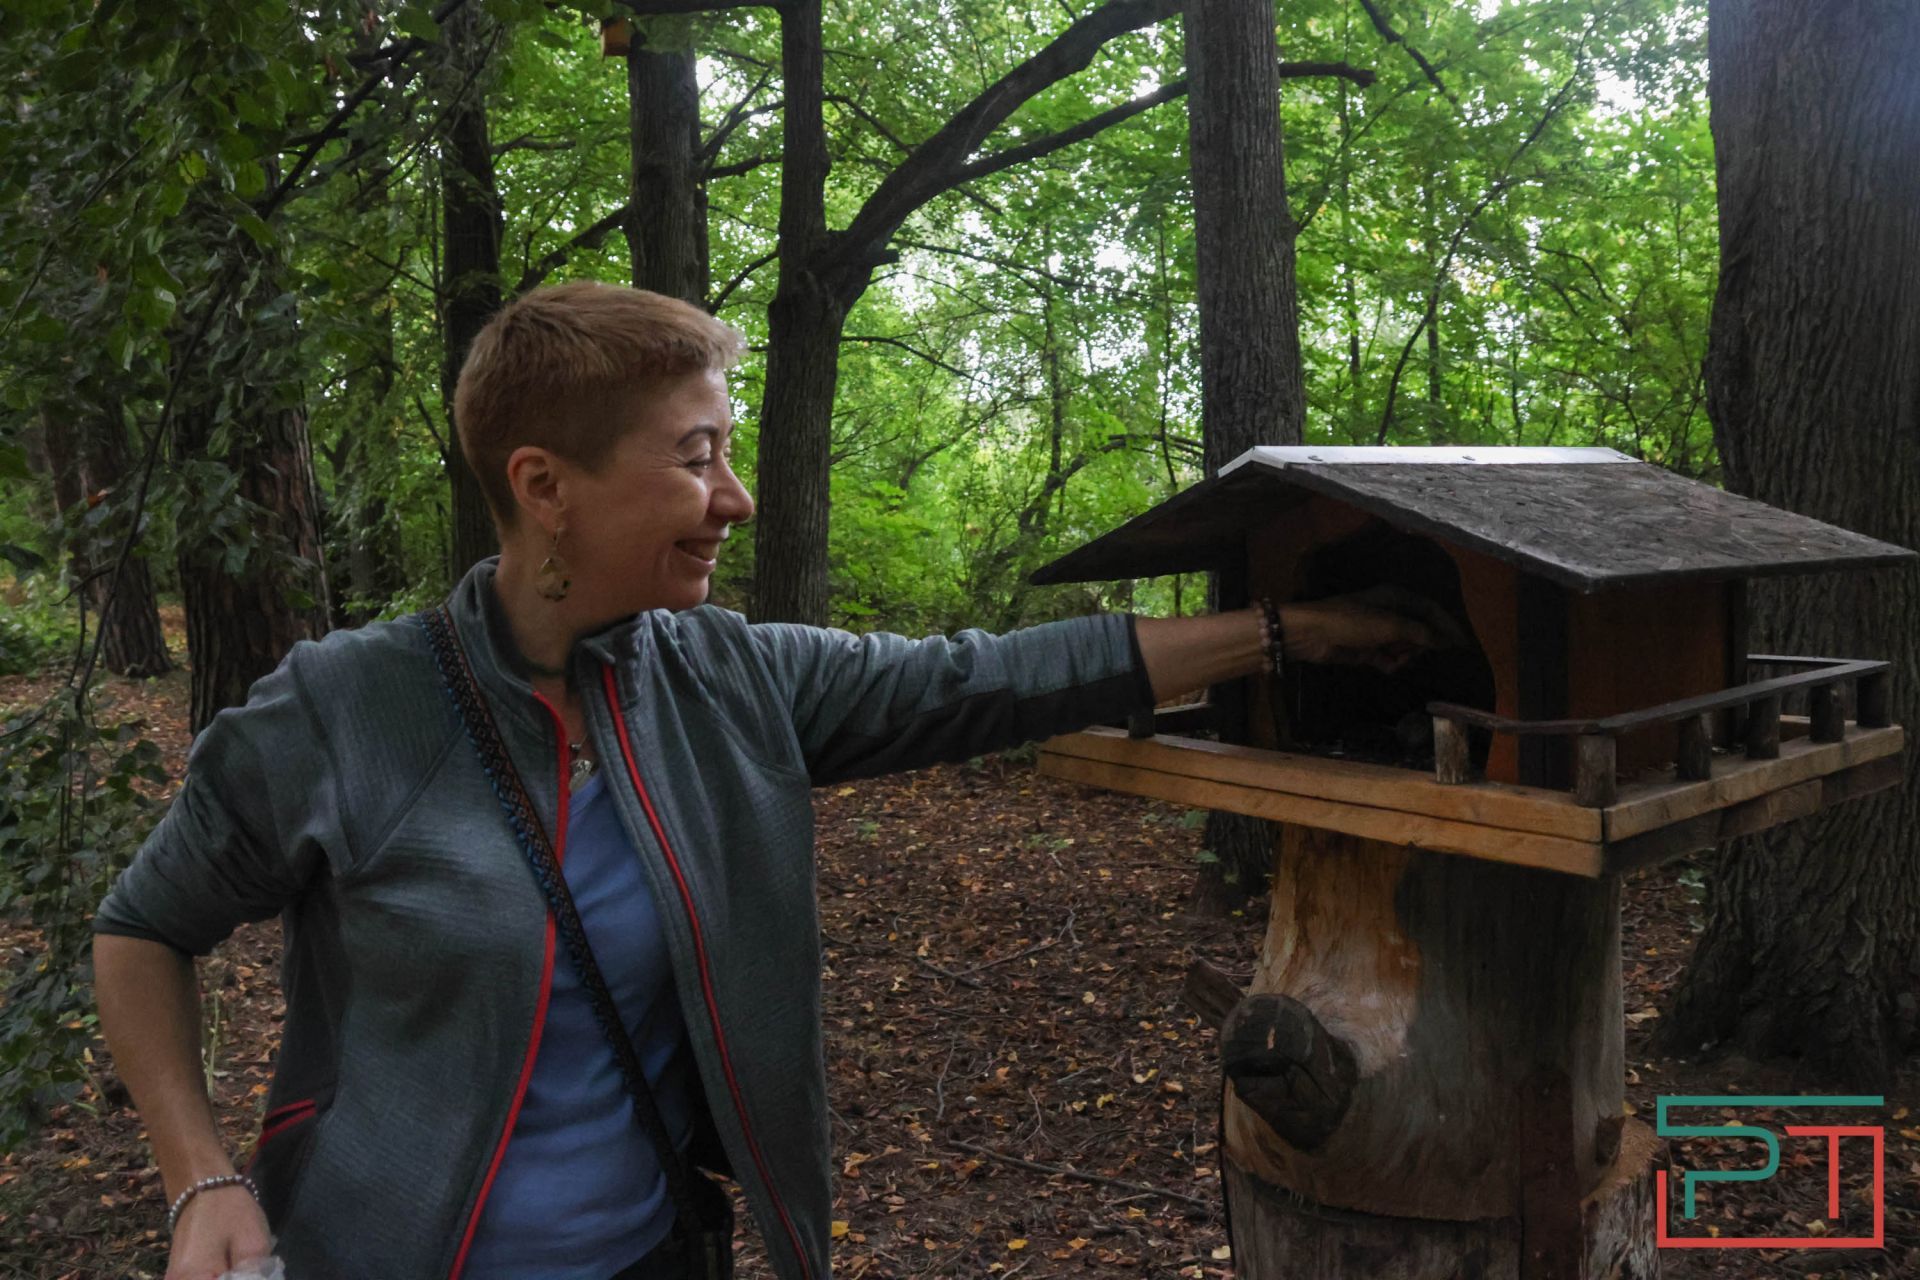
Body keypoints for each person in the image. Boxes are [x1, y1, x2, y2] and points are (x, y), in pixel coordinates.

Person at [91, 282, 1440, 1280]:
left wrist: (1284, 634)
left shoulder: (725, 681)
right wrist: (198, 1174)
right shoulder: (346, 709)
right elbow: (144, 928)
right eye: (695, 456)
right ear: (545, 485)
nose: (734, 495)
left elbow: (991, 677)